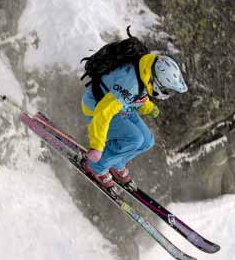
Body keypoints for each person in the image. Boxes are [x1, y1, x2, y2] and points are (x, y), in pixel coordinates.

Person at [80, 36, 188, 189]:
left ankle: (116, 163)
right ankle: (96, 165)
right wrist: (97, 146)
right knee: (134, 139)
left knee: (147, 141)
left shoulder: (144, 70)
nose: (166, 94)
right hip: (97, 108)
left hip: (122, 108)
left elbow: (139, 96)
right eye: (166, 90)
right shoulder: (130, 84)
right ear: (155, 81)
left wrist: (149, 108)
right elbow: (104, 112)